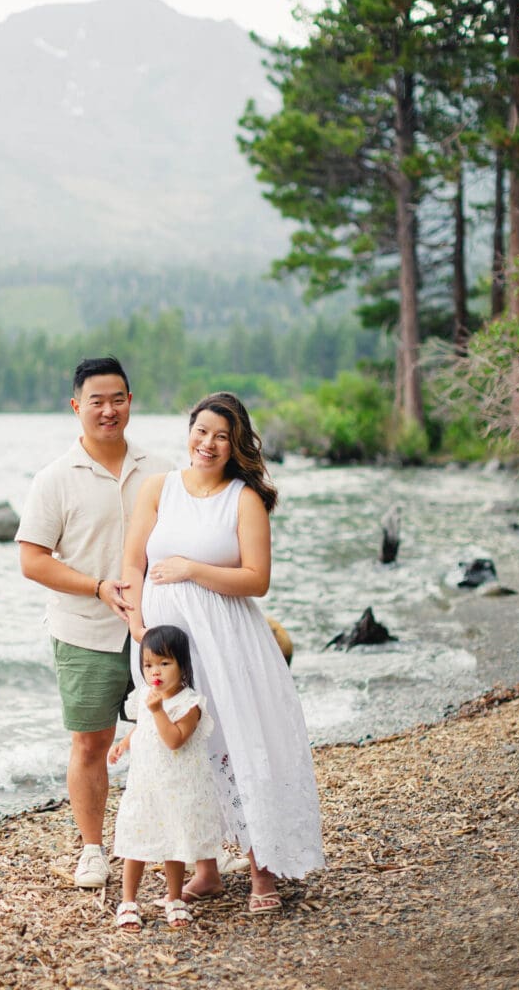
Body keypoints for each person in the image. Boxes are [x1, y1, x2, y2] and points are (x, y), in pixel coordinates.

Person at [122, 391, 325, 913]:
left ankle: (262, 871)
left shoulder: (244, 498)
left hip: (228, 642)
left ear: (236, 446)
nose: (208, 443)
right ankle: (205, 871)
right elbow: (132, 565)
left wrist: (192, 569)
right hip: (165, 644)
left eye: (221, 436)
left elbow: (257, 580)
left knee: (240, 740)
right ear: (188, 431)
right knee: (183, 751)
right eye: (201, 431)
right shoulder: (157, 488)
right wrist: (140, 629)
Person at [16, 356, 168, 889]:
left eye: (118, 399)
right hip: (85, 629)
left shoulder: (161, 468)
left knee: (185, 733)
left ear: (131, 401)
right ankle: (93, 849)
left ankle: (202, 844)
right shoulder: (55, 478)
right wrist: (99, 587)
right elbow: (32, 560)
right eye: (97, 401)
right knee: (89, 744)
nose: (109, 410)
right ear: (76, 406)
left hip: (159, 631)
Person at [108, 625, 223, 933]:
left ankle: (174, 898)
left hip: (178, 787)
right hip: (145, 785)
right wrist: (123, 743)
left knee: (175, 842)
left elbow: (174, 740)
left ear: (182, 666)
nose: (154, 672)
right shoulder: (147, 696)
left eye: (164, 663)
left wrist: (159, 710)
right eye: (148, 665)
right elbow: (142, 727)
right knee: (136, 840)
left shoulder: (189, 704)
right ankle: (128, 900)